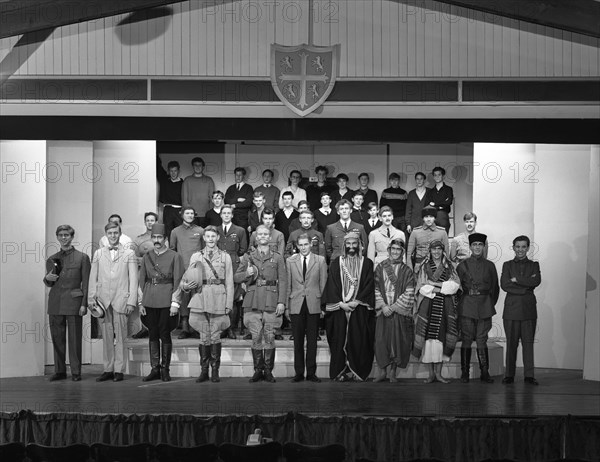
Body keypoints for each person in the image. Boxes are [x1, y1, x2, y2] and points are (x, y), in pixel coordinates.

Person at [175, 226, 234, 383]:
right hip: (201, 297)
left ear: (218, 238)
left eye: (213, 236)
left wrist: (229, 303)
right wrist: (185, 286)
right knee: (203, 335)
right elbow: (187, 278)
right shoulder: (196, 256)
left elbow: (229, 281)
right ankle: (204, 371)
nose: (210, 239)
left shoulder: (225, 257)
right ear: (204, 238)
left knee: (215, 335)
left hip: (218, 296)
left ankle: (215, 371)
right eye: (207, 236)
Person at [234, 225, 287, 383]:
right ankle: (258, 370)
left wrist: (282, 302)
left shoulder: (277, 257)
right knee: (256, 336)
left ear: (270, 237)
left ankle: (269, 371)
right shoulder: (248, 257)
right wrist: (246, 274)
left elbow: (283, 281)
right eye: (260, 234)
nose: (263, 236)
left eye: (266, 234)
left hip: (271, 300)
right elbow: (236, 277)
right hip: (253, 300)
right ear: (256, 238)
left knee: (269, 336)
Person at [88, 222, 138, 382]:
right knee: (107, 337)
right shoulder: (98, 253)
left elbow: (133, 279)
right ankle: (107, 368)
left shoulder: (129, 254)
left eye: (115, 233)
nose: (113, 236)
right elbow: (92, 277)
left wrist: (131, 301)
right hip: (103, 300)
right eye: (110, 233)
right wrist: (91, 298)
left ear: (120, 233)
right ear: (106, 235)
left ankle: (119, 369)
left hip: (121, 298)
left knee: (121, 336)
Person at [323, 231, 376, 382]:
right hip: (340, 309)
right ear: (344, 245)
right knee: (339, 341)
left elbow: (369, 285)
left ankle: (356, 371)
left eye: (354, 243)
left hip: (359, 308)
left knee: (359, 341)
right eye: (348, 244)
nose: (351, 247)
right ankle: (341, 371)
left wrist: (357, 301)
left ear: (359, 245)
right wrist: (341, 304)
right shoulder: (336, 263)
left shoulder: (367, 263)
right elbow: (331, 285)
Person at [43, 225, 91, 381]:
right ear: (57, 237)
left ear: (72, 237)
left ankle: (76, 372)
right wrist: (46, 279)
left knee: (75, 340)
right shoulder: (51, 258)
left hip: (75, 302)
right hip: (56, 302)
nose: (63, 238)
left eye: (66, 235)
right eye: (60, 235)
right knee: (57, 338)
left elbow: (86, 283)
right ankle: (60, 371)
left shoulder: (82, 257)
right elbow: (50, 282)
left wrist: (84, 304)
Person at [138, 224, 184, 382]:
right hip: (149, 299)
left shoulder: (174, 256)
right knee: (152, 334)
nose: (156, 240)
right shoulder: (147, 256)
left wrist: (175, 303)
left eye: (160, 238)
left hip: (166, 299)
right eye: (154, 238)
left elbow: (178, 281)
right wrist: (141, 302)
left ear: (165, 239)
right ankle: (154, 368)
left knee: (165, 334)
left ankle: (165, 369)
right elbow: (141, 280)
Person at [413, 240, 460, 384]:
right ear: (430, 251)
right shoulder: (423, 266)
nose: (436, 252)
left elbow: (455, 285)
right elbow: (421, 287)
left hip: (445, 306)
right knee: (428, 339)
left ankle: (439, 374)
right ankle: (431, 374)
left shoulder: (450, 266)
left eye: (439, 249)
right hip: (427, 305)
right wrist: (440, 289)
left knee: (441, 338)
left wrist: (435, 284)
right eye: (434, 250)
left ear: (443, 250)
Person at [456, 233, 499, 384]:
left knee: (482, 340)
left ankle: (485, 372)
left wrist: (489, 303)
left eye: (480, 245)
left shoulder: (490, 266)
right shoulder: (462, 266)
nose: (477, 247)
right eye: (474, 245)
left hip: (485, 305)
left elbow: (495, 288)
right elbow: (457, 288)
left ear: (483, 246)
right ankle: (465, 372)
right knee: (466, 340)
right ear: (470, 247)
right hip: (467, 305)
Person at [286, 234, 328, 383]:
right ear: (297, 246)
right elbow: (288, 285)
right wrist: (286, 306)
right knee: (297, 341)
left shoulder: (320, 260)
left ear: (311, 244)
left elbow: (323, 284)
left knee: (312, 341)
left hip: (314, 304)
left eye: (306, 244)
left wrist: (323, 305)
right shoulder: (290, 261)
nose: (303, 247)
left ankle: (311, 373)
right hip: (296, 303)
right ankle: (298, 373)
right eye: (300, 245)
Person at [501, 235, 542, 386]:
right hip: (511, 310)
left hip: (528, 310)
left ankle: (529, 376)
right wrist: (526, 288)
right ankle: (509, 375)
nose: (520, 250)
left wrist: (517, 280)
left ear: (528, 248)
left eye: (523, 247)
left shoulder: (534, 265)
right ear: (513, 247)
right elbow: (505, 285)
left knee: (528, 343)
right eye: (517, 247)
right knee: (511, 343)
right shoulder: (507, 265)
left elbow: (536, 281)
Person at [373, 239, 415, 383]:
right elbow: (375, 288)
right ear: (389, 250)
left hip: (398, 311)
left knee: (397, 342)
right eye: (393, 249)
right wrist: (384, 306)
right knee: (381, 341)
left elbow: (410, 291)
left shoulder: (407, 271)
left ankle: (392, 372)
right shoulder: (380, 267)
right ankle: (382, 372)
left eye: (399, 249)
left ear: (402, 252)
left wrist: (395, 307)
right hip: (383, 311)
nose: (395, 251)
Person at [169, 206, 204, 339]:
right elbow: (172, 251)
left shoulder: (200, 231)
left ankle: (194, 327)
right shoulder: (175, 231)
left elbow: (204, 249)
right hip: (181, 269)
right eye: (187, 213)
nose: (189, 215)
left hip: (197, 270)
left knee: (196, 297)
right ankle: (184, 328)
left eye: (191, 213)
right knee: (183, 297)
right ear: (182, 215)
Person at [217, 205, 248, 339]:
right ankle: (221, 328)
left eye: (229, 213)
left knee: (234, 299)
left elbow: (243, 249)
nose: (226, 215)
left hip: (233, 265)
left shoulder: (240, 230)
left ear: (232, 215)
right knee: (220, 298)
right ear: (220, 215)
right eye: (224, 213)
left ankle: (231, 328)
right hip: (218, 266)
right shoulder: (215, 230)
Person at [131, 211, 161, 340]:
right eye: (148, 220)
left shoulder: (161, 238)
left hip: (159, 275)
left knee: (158, 301)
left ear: (156, 222)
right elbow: (134, 257)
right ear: (145, 222)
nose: (150, 222)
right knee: (143, 300)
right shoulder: (139, 239)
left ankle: (158, 329)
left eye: (152, 220)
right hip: (143, 274)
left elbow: (165, 255)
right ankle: (144, 328)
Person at [406, 206, 449, 271]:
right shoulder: (415, 232)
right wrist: (410, 271)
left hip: (437, 269)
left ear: (435, 218)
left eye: (431, 216)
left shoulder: (442, 232)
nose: (428, 219)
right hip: (419, 268)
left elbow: (447, 254)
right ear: (423, 218)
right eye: (426, 217)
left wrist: (446, 269)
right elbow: (409, 254)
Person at [182, 157, 216, 227]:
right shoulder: (187, 180)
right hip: (191, 215)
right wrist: (189, 213)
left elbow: (212, 198)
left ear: (203, 167)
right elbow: (184, 199)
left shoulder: (209, 180)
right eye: (195, 165)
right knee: (192, 236)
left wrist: (210, 212)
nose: (197, 167)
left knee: (205, 235)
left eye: (199, 165)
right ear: (192, 167)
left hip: (205, 214)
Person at [156, 156, 183, 239]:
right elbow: (158, 168)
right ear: (168, 171)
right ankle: (170, 251)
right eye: (171, 171)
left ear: (178, 171)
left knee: (179, 232)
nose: (173, 173)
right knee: (168, 232)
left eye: (175, 171)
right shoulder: (165, 181)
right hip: (168, 209)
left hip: (179, 210)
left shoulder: (183, 183)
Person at [225, 167, 254, 231]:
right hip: (231, 217)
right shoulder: (231, 188)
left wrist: (235, 205)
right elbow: (226, 201)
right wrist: (237, 200)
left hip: (243, 218)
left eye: (240, 175)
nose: (238, 177)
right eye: (236, 175)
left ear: (243, 176)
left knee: (243, 236)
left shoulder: (248, 188)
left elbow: (248, 202)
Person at [428, 166, 453, 234]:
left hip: (443, 216)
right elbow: (429, 204)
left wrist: (435, 204)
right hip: (432, 217)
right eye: (435, 175)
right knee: (432, 241)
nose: (437, 177)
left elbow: (449, 202)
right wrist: (441, 205)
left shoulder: (448, 189)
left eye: (439, 174)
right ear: (433, 177)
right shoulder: (430, 191)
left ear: (443, 176)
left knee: (443, 241)